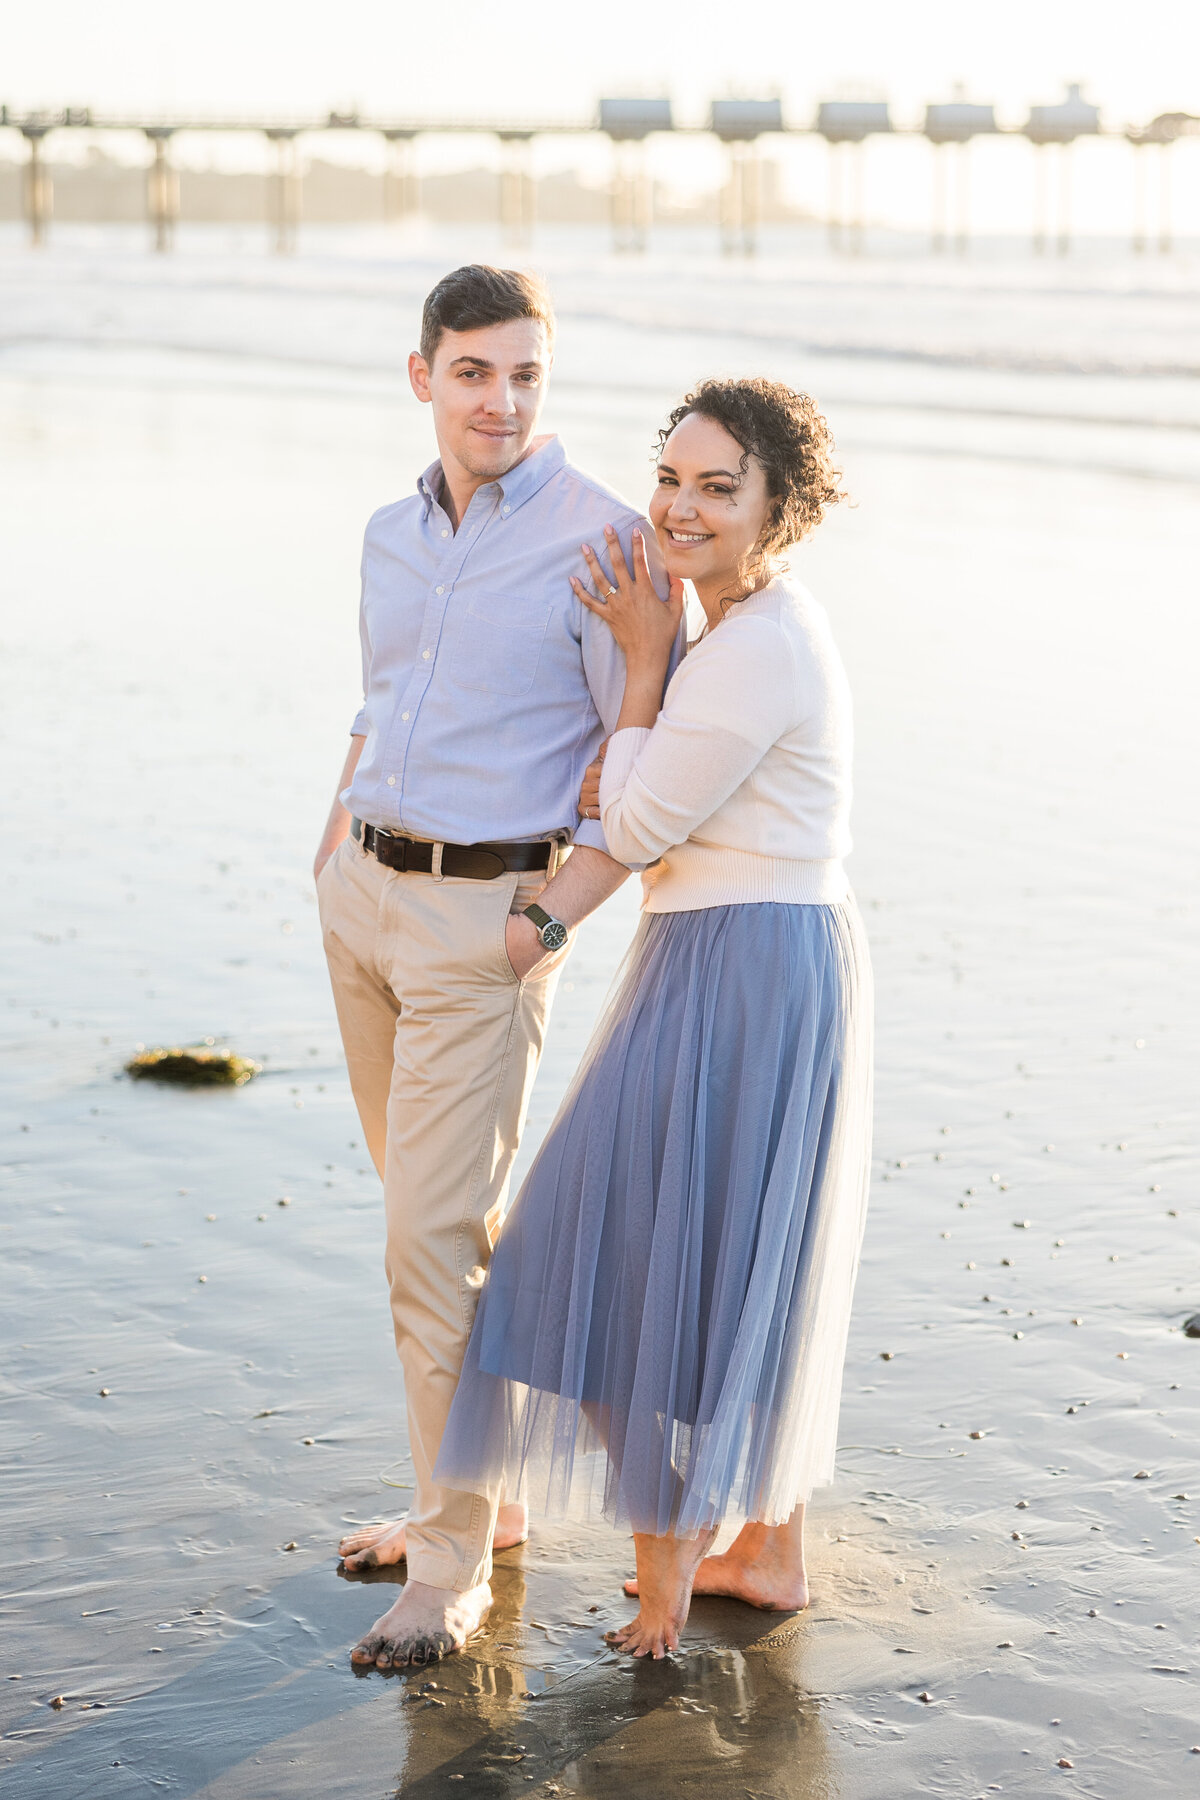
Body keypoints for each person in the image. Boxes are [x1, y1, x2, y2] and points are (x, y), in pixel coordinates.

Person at [436, 376, 873, 1658]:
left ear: (779, 510)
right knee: (724, 1254)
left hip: (745, 965)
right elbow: (642, 802)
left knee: (634, 1250)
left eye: (717, 488)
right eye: (670, 477)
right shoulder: (739, 630)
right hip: (740, 953)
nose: (679, 509)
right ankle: (762, 1556)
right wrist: (647, 698)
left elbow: (630, 821)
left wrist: (638, 672)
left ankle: (670, 1596)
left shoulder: (756, 645)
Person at [313, 264, 676, 1669]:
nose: (502, 401)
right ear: (424, 378)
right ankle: (484, 1501)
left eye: (526, 373)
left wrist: (552, 919)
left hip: (486, 930)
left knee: (427, 1251)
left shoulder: (604, 544)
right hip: (362, 897)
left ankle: (451, 1565)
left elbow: (634, 755)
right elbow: (381, 691)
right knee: (428, 1227)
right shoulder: (385, 534)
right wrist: (328, 844)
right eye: (473, 372)